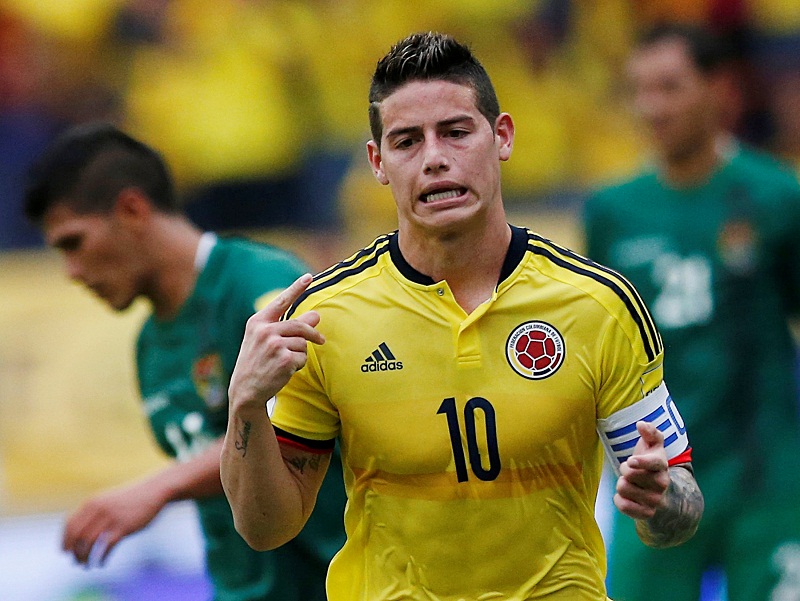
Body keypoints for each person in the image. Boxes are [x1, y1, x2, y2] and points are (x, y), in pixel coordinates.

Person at [220, 31, 704, 601]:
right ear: (378, 163)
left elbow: (680, 505)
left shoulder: (597, 304)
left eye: (455, 132)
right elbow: (266, 528)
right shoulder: (327, 317)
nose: (435, 159)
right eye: (407, 141)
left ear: (501, 137)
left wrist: (658, 498)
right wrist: (245, 405)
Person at [23, 122, 346, 601]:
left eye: (74, 242)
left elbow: (293, 426)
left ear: (132, 208)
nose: (71, 272)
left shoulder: (263, 283)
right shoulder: (149, 346)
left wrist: (158, 488)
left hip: (332, 583)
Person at [584, 24, 800, 601]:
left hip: (766, 480)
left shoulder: (776, 196)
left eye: (669, 87)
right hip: (657, 473)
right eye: (640, 90)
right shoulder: (611, 211)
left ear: (719, 88)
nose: (651, 106)